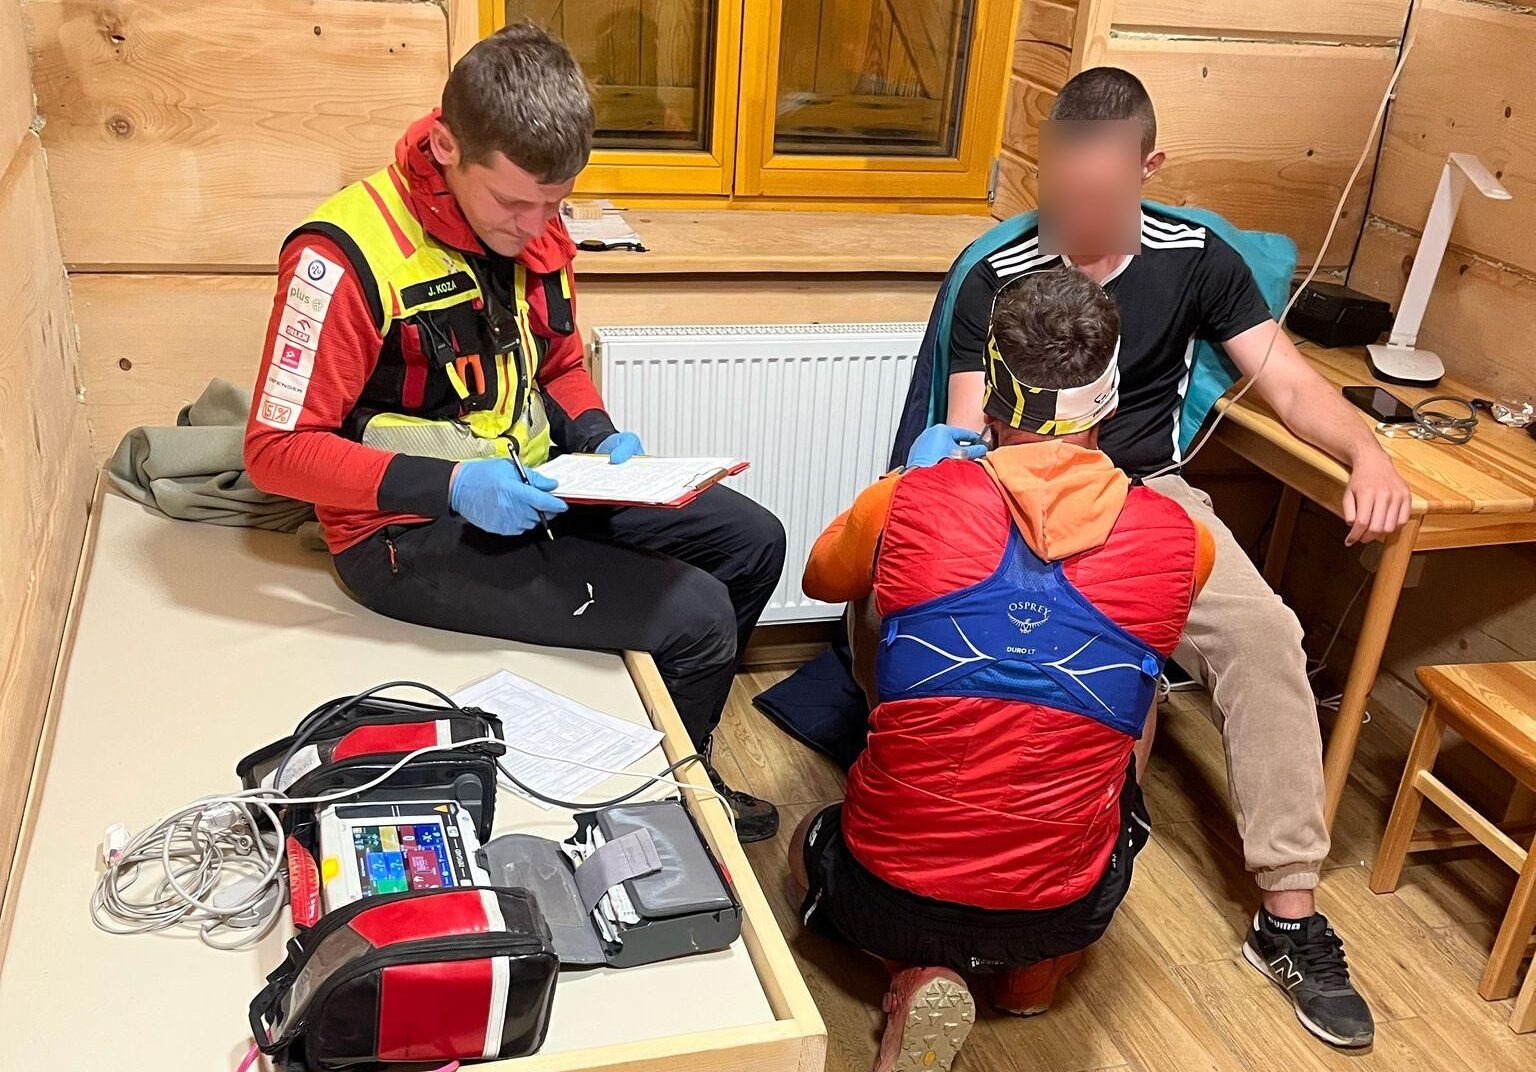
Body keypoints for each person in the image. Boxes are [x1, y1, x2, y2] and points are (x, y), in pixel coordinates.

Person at [928, 68, 1409, 1047]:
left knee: (1266, 633)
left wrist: (1369, 453)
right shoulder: (999, 272)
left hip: (1151, 490)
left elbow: (1291, 386)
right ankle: (1012, 862)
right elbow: (970, 433)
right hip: (1025, 487)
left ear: (1148, 170)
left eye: (1099, 195)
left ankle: (1288, 915)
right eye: (1062, 190)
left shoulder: (1198, 259)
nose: (1076, 213)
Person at [242, 24, 785, 841]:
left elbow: (558, 363)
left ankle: (678, 769)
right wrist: (453, 485)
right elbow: (274, 451)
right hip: (404, 531)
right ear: (445, 146)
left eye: (554, 203)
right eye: (514, 203)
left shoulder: (536, 227)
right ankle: (648, 819)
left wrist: (600, 435)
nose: (537, 227)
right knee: (698, 616)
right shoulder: (344, 254)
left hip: (540, 480)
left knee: (753, 541)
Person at [792, 266, 1214, 1072]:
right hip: (1061, 909)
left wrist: (905, 480)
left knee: (808, 839)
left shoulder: (907, 501)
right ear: (1110, 396)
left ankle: (915, 974)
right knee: (1138, 676)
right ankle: (1031, 979)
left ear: (991, 391)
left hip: (891, 893)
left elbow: (821, 579)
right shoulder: (1184, 540)